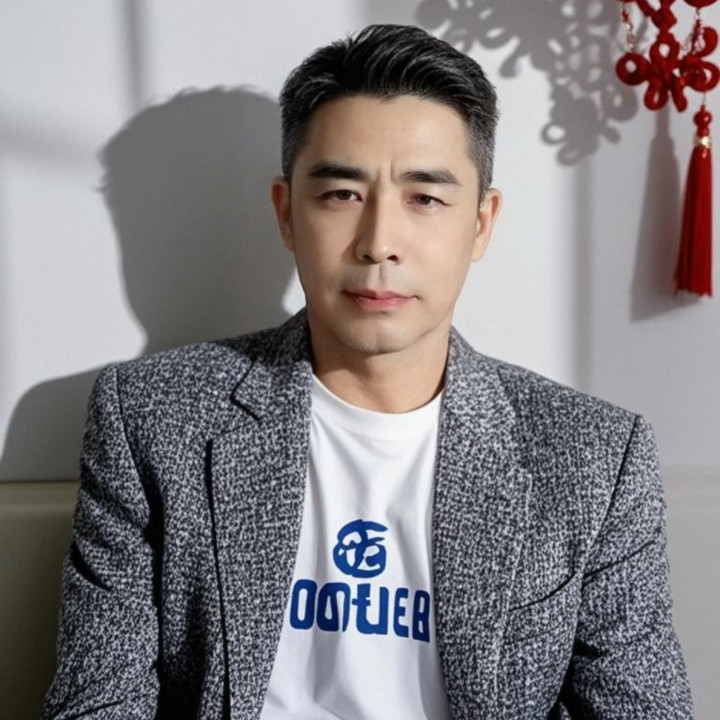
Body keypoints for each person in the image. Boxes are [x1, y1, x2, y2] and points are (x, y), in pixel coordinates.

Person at [43, 23, 693, 720]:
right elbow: (97, 705)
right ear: (287, 213)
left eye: (425, 198)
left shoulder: (593, 456)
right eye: (341, 194)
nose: (379, 243)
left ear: (481, 223)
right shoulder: (150, 417)